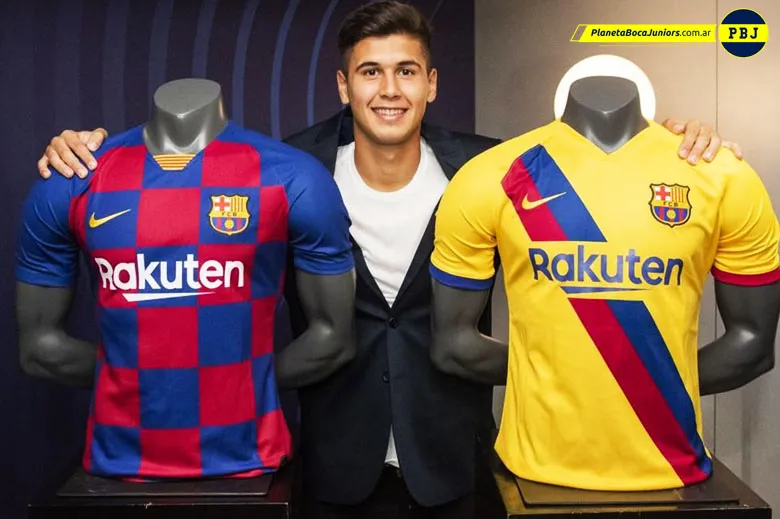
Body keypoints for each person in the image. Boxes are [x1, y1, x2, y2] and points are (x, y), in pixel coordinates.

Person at [32, 2, 740, 517]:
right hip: (332, 460)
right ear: (344, 86)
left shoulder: (497, 168)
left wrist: (681, 139)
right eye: (370, 72)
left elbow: (608, 180)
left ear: (432, 83)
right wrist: (84, 149)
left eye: (406, 71)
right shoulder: (285, 169)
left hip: (459, 457)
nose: (389, 89)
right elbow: (171, 190)